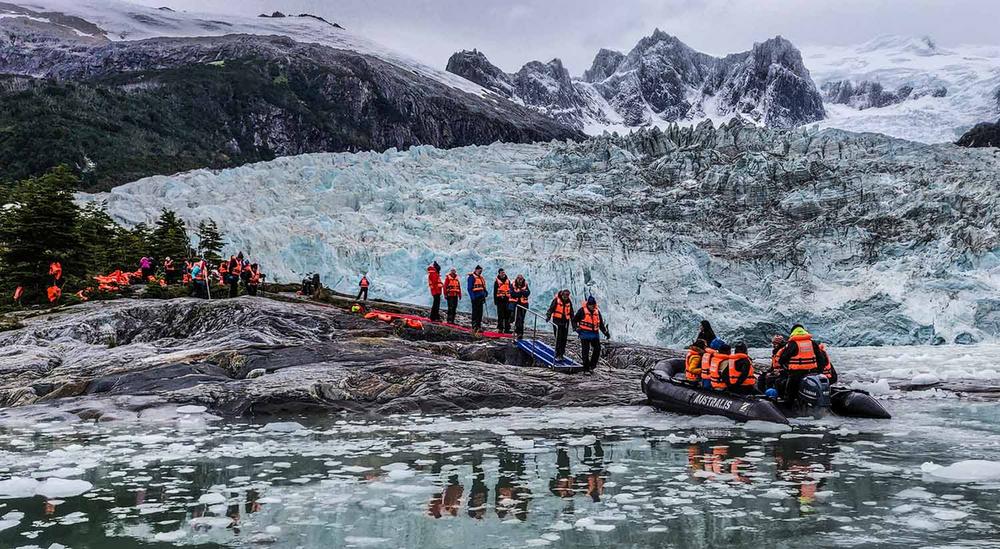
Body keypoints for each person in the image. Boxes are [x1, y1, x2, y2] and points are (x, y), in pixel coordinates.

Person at [777, 324, 829, 403]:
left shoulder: (793, 344)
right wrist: (819, 371)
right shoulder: (812, 343)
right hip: (812, 372)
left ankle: (789, 408)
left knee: (790, 393)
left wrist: (786, 369)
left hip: (796, 374)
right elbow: (821, 359)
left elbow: (782, 359)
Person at [574, 296, 610, 371]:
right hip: (584, 334)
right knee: (585, 352)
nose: (592, 306)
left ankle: (592, 365)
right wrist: (576, 328)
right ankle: (586, 368)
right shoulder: (582, 311)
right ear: (588, 304)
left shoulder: (597, 312)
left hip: (594, 335)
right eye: (591, 305)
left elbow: (601, 324)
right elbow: (574, 320)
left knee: (597, 349)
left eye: (593, 305)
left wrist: (605, 332)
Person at [546, 289, 574, 361]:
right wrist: (548, 316)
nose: (566, 297)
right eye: (565, 296)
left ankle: (561, 354)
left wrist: (574, 325)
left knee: (564, 338)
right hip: (557, 321)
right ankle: (558, 353)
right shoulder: (556, 300)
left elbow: (571, 313)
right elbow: (551, 309)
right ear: (562, 295)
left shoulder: (569, 302)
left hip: (565, 322)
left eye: (567, 296)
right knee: (558, 338)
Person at [467, 265, 488, 332]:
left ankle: (478, 326)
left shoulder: (481, 278)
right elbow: (469, 288)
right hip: (475, 298)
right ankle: (474, 326)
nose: (480, 272)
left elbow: (483, 287)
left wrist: (485, 293)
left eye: (481, 270)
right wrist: (473, 297)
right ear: (476, 270)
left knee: (480, 313)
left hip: (481, 298)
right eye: (479, 270)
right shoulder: (472, 277)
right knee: (475, 312)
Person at [509, 274, 530, 339]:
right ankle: (517, 331)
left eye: (521, 279)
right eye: (519, 279)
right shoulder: (513, 284)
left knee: (521, 319)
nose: (520, 281)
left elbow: (528, 293)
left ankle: (520, 333)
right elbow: (512, 294)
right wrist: (521, 293)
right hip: (515, 304)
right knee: (515, 318)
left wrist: (520, 293)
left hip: (524, 304)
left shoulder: (525, 284)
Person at [494, 269, 511, 333]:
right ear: (499, 273)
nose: (503, 274)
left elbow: (510, 290)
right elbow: (495, 291)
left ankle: (507, 329)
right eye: (501, 273)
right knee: (500, 315)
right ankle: (500, 328)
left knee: (507, 315)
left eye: (503, 272)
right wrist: (495, 301)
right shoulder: (497, 282)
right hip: (500, 300)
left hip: (507, 300)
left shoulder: (508, 281)